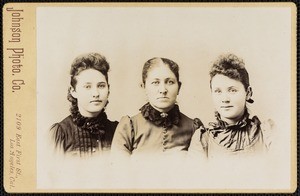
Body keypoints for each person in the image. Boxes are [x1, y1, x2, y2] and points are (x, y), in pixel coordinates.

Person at [111, 57, 202, 160]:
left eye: (170, 82)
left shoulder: (194, 128)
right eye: (155, 82)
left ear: (179, 87)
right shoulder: (129, 127)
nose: (163, 90)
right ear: (144, 86)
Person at [188, 53, 274, 160]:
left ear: (248, 93)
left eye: (232, 90)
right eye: (218, 91)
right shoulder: (203, 140)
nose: (225, 99)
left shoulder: (266, 134)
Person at [49, 52, 118, 157]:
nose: (96, 94)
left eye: (101, 86)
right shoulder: (61, 133)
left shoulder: (118, 131)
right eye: (87, 87)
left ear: (108, 90)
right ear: (73, 91)